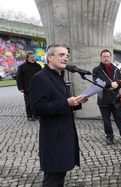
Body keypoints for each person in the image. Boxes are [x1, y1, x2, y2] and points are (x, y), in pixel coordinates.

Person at [30, 44, 87, 186]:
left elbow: (61, 102)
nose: (66, 58)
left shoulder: (59, 76)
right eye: (61, 55)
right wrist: (66, 103)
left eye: (67, 55)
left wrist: (76, 102)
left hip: (64, 135)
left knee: (60, 175)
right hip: (53, 138)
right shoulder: (40, 78)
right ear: (50, 58)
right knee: (53, 178)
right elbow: (37, 108)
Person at [92, 49, 121, 145]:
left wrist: (118, 83)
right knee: (106, 121)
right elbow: (97, 82)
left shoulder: (115, 68)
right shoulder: (96, 70)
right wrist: (111, 83)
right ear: (101, 58)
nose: (106, 58)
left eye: (108, 56)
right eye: (104, 56)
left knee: (120, 118)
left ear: (110, 57)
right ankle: (109, 137)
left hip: (115, 98)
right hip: (103, 99)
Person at [16, 51, 42, 121]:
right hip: (27, 88)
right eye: (31, 57)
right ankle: (29, 116)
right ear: (27, 58)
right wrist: (20, 88)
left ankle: (36, 115)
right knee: (28, 103)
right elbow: (18, 77)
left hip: (37, 88)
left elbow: (42, 77)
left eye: (33, 57)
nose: (33, 58)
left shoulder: (38, 66)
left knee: (37, 101)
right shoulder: (22, 66)